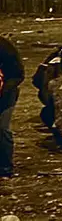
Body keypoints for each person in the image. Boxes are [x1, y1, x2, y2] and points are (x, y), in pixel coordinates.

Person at [0, 35, 24, 178]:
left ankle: (5, 168)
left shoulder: (4, 47)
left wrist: (4, 91)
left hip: (5, 96)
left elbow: (18, 74)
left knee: (2, 129)